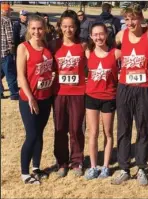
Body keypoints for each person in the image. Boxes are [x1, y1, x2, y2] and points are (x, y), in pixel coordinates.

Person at [111, 4, 148, 186]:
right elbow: (110, 52)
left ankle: (142, 167)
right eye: (127, 19)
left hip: (144, 87)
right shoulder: (121, 36)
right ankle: (123, 167)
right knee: (123, 128)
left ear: (141, 18)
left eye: (133, 18)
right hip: (124, 87)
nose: (130, 22)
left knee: (143, 127)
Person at [17, 14, 54, 184]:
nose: (37, 31)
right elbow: (21, 76)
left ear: (45, 29)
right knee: (31, 135)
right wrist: (30, 97)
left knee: (39, 134)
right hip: (29, 99)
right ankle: (25, 173)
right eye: (33, 28)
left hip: (45, 97)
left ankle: (36, 167)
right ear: (29, 29)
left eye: (40, 28)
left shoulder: (47, 47)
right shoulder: (23, 48)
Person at [51, 10, 86, 178]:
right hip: (59, 93)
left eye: (71, 26)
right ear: (60, 27)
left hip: (78, 93)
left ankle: (77, 161)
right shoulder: (54, 45)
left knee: (76, 128)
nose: (68, 30)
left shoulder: (83, 45)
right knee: (60, 128)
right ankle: (62, 163)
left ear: (76, 27)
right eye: (64, 26)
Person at [84, 22, 121, 180]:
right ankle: (93, 166)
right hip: (91, 97)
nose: (98, 37)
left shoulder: (116, 53)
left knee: (108, 133)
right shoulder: (88, 53)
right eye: (95, 34)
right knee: (93, 133)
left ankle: (105, 166)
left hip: (109, 98)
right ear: (91, 36)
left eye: (101, 34)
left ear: (106, 35)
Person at [1, 4, 19, 100]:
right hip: (5, 52)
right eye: (9, 11)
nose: (10, 12)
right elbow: (10, 38)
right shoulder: (7, 20)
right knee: (10, 74)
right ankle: (14, 94)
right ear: (6, 11)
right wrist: (12, 51)